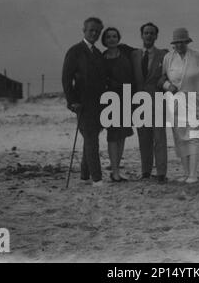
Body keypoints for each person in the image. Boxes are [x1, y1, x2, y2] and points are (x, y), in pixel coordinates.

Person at [159, 28, 199, 183]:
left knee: (195, 136)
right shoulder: (168, 58)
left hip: (195, 100)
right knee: (180, 137)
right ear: (173, 44)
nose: (179, 45)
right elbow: (162, 77)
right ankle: (185, 173)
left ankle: (193, 173)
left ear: (187, 42)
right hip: (176, 102)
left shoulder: (197, 55)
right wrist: (167, 86)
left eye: (182, 42)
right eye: (176, 42)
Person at [62, 17, 107, 187]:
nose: (94, 33)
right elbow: (66, 79)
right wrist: (72, 101)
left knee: (91, 138)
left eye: (97, 31)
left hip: (99, 104)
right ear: (84, 30)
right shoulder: (75, 51)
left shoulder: (98, 53)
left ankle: (84, 176)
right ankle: (97, 179)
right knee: (91, 140)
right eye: (91, 30)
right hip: (82, 104)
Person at [131, 22, 168, 183]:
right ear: (141, 35)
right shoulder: (133, 55)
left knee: (159, 139)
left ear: (156, 36)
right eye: (146, 33)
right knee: (143, 139)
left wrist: (163, 79)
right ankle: (145, 171)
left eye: (152, 33)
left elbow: (170, 73)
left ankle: (161, 173)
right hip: (139, 102)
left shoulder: (164, 55)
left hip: (157, 101)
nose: (149, 35)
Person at [101, 27, 134, 182]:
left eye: (115, 36)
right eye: (109, 37)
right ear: (105, 40)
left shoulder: (125, 51)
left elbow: (143, 52)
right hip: (110, 100)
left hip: (127, 98)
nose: (112, 39)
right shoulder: (102, 58)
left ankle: (117, 169)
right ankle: (114, 171)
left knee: (122, 135)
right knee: (113, 136)